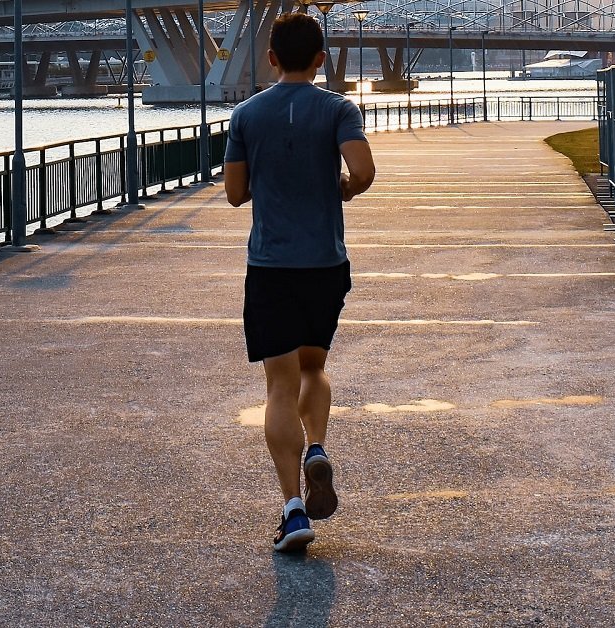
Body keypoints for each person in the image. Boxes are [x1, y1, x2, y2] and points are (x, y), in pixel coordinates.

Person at [223, 12, 376, 553]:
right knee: (314, 367)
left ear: (270, 58)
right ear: (320, 59)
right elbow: (363, 172)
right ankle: (317, 447)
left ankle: (292, 510)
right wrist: (341, 189)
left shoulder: (245, 115)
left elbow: (235, 194)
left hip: (270, 266)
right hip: (325, 265)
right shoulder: (338, 108)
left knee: (278, 386)